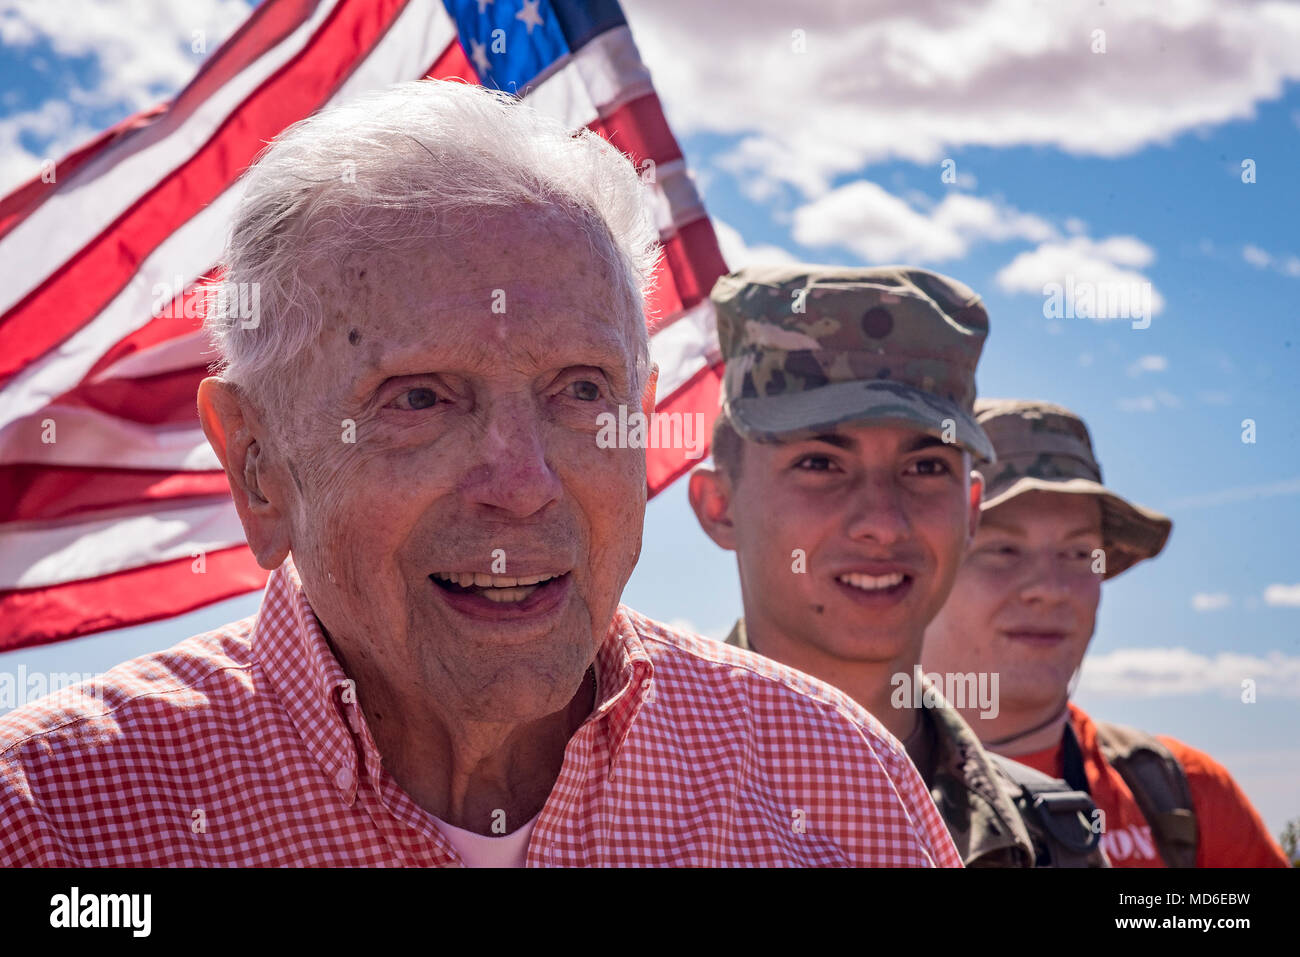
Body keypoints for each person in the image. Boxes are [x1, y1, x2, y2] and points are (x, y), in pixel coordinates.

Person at [0, 80, 960, 868]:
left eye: (580, 390)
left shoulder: (840, 783)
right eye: (419, 399)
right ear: (257, 465)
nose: (523, 480)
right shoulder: (52, 821)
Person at [689, 265, 1105, 867]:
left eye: (926, 468)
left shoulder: (1050, 843)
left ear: (970, 512)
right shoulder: (609, 801)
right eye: (820, 463)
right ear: (721, 506)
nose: (883, 523)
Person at [923, 398, 1289, 867]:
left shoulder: (1183, 795)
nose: (1050, 590)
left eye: (1078, 554)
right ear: (926, 563)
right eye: (1005, 550)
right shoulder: (844, 779)